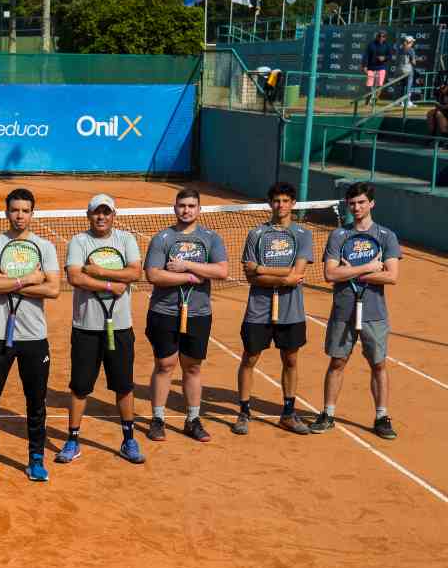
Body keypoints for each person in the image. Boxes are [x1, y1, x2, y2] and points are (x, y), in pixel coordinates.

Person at [0, 188, 60, 483]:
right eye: (15, 210)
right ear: (6, 212)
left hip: (34, 337)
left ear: (32, 213)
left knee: (36, 401)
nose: (20, 215)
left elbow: (53, 289)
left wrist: (7, 282)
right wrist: (29, 278)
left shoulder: (45, 247)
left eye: (25, 210)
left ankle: (36, 458)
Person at [309, 182, 401, 440]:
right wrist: (369, 268)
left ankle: (382, 416)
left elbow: (392, 277)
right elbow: (329, 274)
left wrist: (349, 271)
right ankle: (327, 414)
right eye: (352, 203)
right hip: (342, 311)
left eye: (361, 202)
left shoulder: (386, 236)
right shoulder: (338, 236)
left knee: (378, 364)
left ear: (371, 203)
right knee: (337, 362)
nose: (357, 207)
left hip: (375, 313)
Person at [58, 194, 144, 465]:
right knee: (80, 388)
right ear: (89, 215)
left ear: (114, 215)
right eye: (97, 212)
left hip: (120, 327)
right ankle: (73, 440)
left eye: (106, 212)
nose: (102, 217)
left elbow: (134, 273)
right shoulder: (79, 242)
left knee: (124, 386)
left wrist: (96, 272)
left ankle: (129, 439)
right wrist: (110, 286)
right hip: (85, 328)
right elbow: (74, 276)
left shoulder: (126, 240)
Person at [143, 188, 229, 443]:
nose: (186, 210)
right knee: (165, 365)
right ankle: (157, 419)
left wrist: (186, 265)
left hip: (198, 313)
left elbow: (221, 271)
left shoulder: (211, 238)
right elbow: (154, 275)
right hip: (163, 311)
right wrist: (191, 276)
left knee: (192, 367)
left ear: (199, 209)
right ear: (175, 208)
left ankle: (192, 419)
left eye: (192, 206)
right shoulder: (162, 238)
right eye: (182, 205)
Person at [233, 183, 313, 436]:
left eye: (286, 200)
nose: (281, 205)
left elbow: (298, 273)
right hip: (259, 309)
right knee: (250, 358)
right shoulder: (256, 234)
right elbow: (250, 276)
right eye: (276, 201)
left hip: (292, 311)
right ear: (270, 204)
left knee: (290, 359)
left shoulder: (302, 234)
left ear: (293, 204)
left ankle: (288, 413)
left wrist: (262, 269)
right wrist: (281, 277)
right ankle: (243, 412)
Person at [363, 31, 393, 105]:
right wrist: (364, 66)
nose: (380, 38)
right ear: (377, 36)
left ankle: (374, 101)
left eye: (383, 36)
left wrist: (384, 58)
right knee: (369, 85)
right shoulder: (371, 44)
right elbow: (366, 55)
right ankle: (367, 101)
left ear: (385, 38)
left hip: (381, 67)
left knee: (380, 85)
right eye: (379, 36)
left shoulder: (387, 45)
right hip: (371, 67)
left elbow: (390, 56)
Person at [394, 35, 417, 105]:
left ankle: (400, 102)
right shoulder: (411, 50)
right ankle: (407, 101)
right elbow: (413, 62)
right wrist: (415, 61)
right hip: (408, 71)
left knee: (400, 86)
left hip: (399, 70)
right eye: (412, 42)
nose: (412, 43)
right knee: (408, 86)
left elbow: (397, 61)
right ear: (409, 42)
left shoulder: (400, 49)